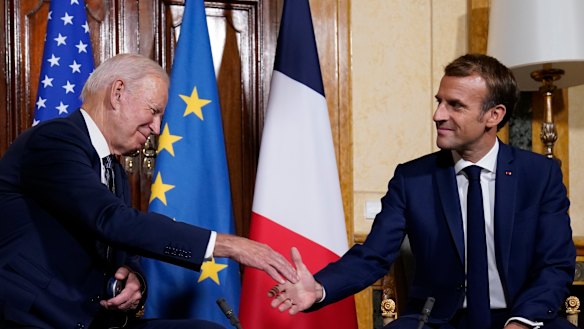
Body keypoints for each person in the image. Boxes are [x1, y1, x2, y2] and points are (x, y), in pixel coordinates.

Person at [269, 54, 577, 329]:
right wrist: (320, 287)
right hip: (439, 319)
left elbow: (556, 263)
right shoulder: (412, 178)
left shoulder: (540, 175)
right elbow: (373, 256)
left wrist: (521, 323)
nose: (438, 115)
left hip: (520, 316)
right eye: (439, 101)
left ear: (493, 115)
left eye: (455, 105)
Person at [0, 53, 298, 329]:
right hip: (34, 316)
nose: (157, 128)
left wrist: (135, 282)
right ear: (117, 93)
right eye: (153, 112)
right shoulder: (54, 140)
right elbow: (111, 220)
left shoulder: (113, 169)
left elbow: (124, 252)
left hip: (94, 319)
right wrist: (229, 246)